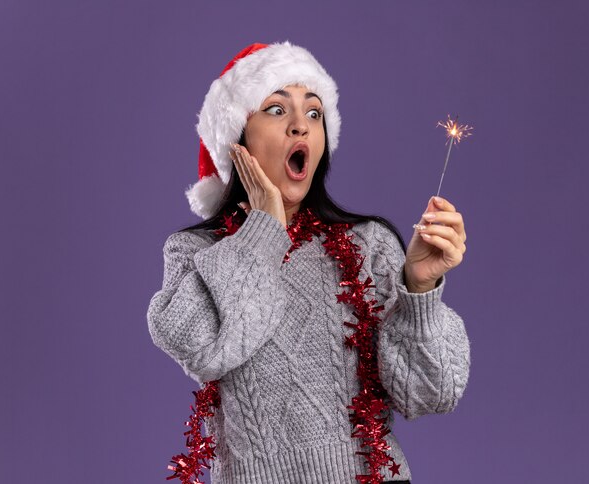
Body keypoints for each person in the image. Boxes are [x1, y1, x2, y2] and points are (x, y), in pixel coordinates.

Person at [147, 41, 471, 484]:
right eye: (277, 110)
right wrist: (263, 229)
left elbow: (430, 395)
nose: (301, 125)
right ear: (237, 138)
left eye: (314, 113)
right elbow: (203, 348)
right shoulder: (197, 254)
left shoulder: (367, 245)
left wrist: (418, 289)